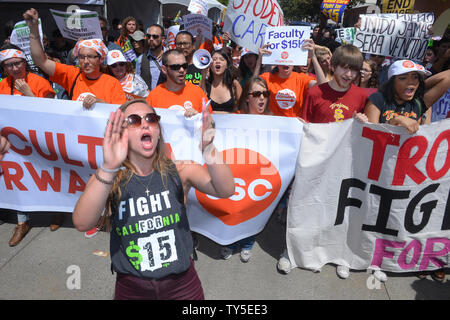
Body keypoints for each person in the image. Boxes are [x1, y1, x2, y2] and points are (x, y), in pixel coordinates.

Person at [72, 98, 235, 300]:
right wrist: (108, 167)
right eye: (134, 120)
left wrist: (209, 148)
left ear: (158, 130)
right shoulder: (108, 178)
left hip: (182, 286)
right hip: (132, 288)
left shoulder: (181, 171)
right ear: (120, 132)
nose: (145, 123)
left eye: (151, 118)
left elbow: (226, 189)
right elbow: (82, 222)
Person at [364, 61, 450, 282]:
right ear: (391, 81)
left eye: (415, 78)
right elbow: (369, 134)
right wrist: (395, 120)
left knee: (393, 218)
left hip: (405, 177)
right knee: (370, 215)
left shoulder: (420, 103)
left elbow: (446, 78)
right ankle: (361, 255)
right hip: (377, 173)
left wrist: (417, 83)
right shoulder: (378, 100)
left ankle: (381, 258)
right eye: (403, 78)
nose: (410, 82)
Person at [24, 8, 126, 109]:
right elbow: (41, 61)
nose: (85, 61)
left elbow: (121, 113)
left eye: (90, 57)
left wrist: (101, 104)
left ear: (100, 59)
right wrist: (33, 29)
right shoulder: (73, 75)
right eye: (81, 57)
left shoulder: (112, 83)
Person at [258, 39, 326, 117]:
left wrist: (313, 57)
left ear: (294, 62)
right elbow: (251, 88)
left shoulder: (301, 79)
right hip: (274, 125)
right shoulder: (267, 78)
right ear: (276, 62)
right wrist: (259, 61)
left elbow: (323, 86)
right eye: (283, 58)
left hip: (295, 125)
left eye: (289, 58)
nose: (286, 62)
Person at [146, 49, 210, 114]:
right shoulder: (154, 96)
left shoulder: (198, 93)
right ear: (164, 69)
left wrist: (198, 117)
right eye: (176, 67)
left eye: (184, 66)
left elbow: (211, 122)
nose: (181, 70)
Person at [201, 49, 242, 113]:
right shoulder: (205, 84)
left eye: (221, 59)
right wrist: (203, 76)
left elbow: (243, 106)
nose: (218, 61)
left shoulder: (234, 84)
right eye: (214, 59)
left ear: (226, 65)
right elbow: (200, 102)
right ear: (210, 65)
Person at [135, 24, 166, 90]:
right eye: (148, 36)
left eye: (155, 36)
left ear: (163, 39)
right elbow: (137, 84)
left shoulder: (172, 56)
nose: (151, 39)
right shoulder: (141, 59)